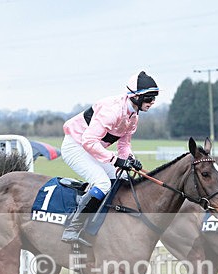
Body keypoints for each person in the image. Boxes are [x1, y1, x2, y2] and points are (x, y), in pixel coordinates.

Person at [60, 71, 159, 246]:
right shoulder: (112, 111)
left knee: (121, 177)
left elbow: (124, 146)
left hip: (92, 148)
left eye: (154, 98)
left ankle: (106, 224)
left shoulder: (133, 116)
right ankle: (73, 228)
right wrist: (115, 160)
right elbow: (88, 141)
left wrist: (130, 160)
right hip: (75, 146)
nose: (152, 103)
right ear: (136, 97)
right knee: (103, 183)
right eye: (149, 98)